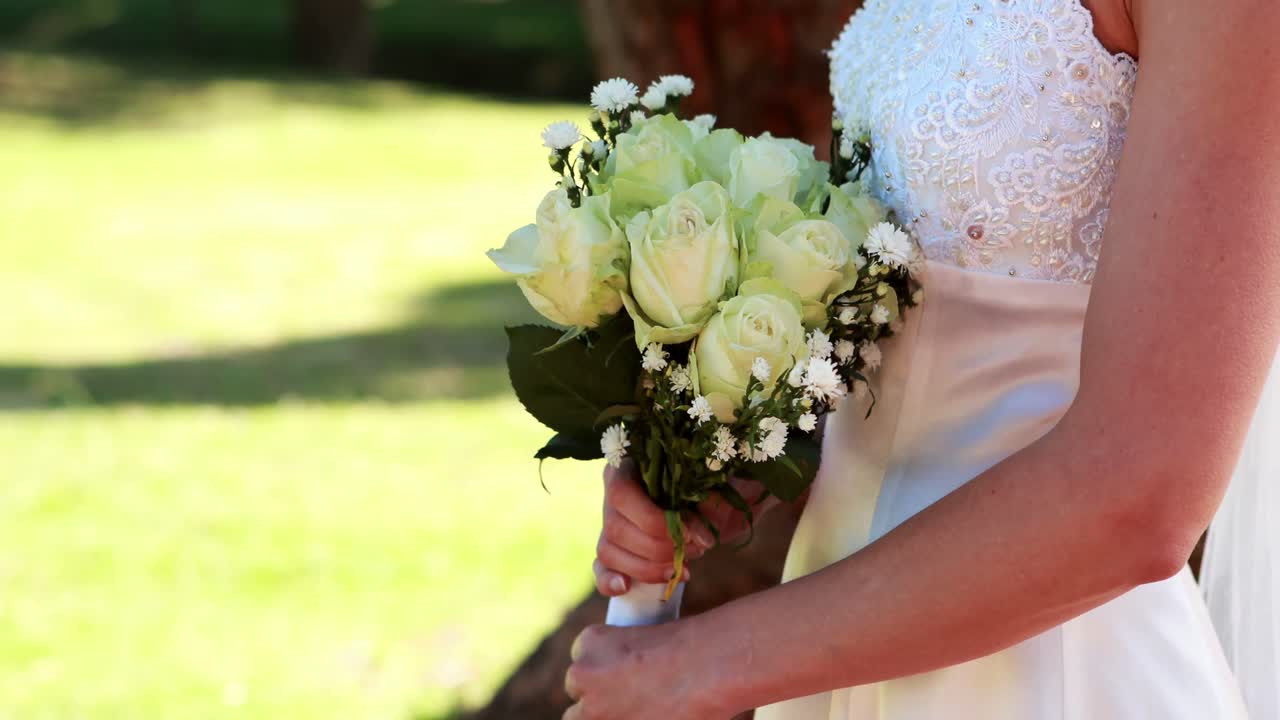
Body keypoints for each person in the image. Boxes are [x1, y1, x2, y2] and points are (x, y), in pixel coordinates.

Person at [562, 0, 1280, 718]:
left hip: (1051, 667)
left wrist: (707, 665)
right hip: (838, 616)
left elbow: (1144, 490)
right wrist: (738, 442)